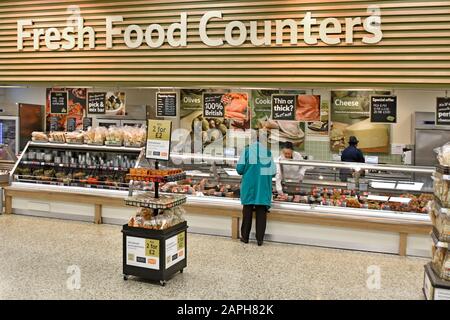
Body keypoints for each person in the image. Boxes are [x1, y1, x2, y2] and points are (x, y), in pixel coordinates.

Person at [236, 131, 276, 246]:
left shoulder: (247, 151)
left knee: (247, 210)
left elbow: (239, 169)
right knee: (261, 212)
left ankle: (245, 237)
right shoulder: (268, 153)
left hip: (249, 186)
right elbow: (273, 172)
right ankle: (260, 240)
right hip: (263, 187)